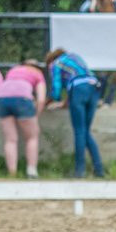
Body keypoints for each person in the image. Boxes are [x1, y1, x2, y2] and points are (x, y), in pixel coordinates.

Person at [45, 48, 104, 178]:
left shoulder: (56, 64)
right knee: (86, 131)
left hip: (79, 91)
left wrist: (46, 102)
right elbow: (79, 78)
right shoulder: (74, 57)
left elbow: (56, 90)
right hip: (94, 88)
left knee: (79, 131)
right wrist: (67, 102)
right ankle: (99, 170)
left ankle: (79, 171)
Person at [0, 59, 47, 178]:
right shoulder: (38, 74)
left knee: (10, 139)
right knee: (32, 137)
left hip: (2, 99)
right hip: (22, 100)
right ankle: (31, 171)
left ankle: (12, 173)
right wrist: (35, 115)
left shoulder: (13, 70)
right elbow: (41, 99)